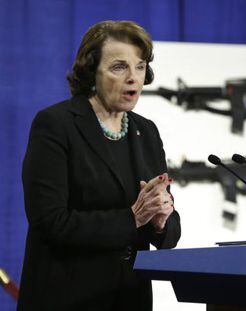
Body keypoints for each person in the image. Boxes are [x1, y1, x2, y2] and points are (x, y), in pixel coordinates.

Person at [17, 20, 181, 310]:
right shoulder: (57, 125)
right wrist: (132, 218)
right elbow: (50, 223)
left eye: (140, 66)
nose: (134, 77)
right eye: (120, 67)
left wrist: (160, 221)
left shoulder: (147, 132)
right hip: (67, 297)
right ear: (91, 71)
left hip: (130, 298)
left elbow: (169, 233)